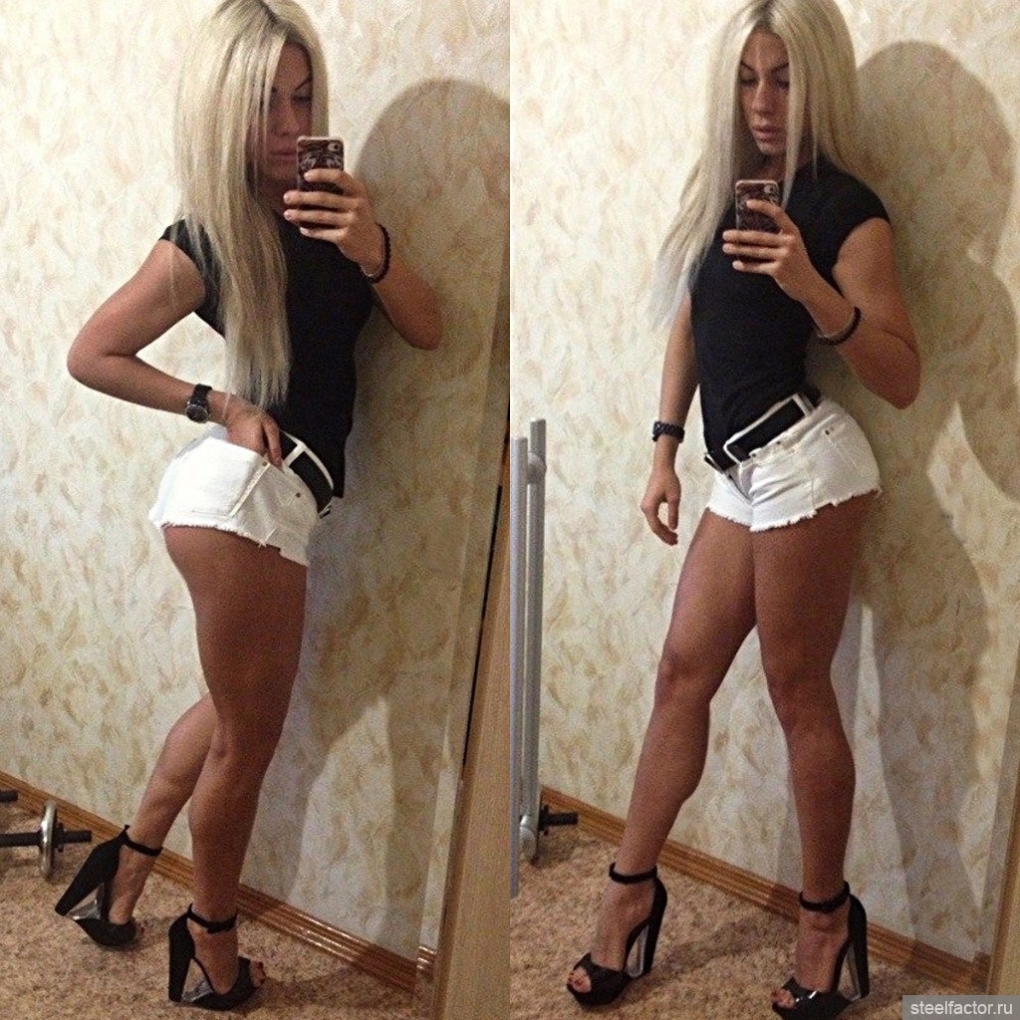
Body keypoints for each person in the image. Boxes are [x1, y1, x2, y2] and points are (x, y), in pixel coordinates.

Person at [54, 0, 441, 1011]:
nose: (288, 123)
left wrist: (372, 244)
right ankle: (211, 945)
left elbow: (429, 328)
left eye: (303, 97)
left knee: (227, 716)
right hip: (244, 497)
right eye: (266, 101)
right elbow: (91, 352)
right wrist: (216, 402)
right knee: (246, 744)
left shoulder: (342, 211)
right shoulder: (210, 234)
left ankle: (125, 873)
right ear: (225, 108)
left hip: (249, 503)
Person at [566, 0, 919, 1016]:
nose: (764, 101)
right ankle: (630, 893)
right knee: (681, 673)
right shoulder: (728, 190)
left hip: (807, 463)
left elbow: (900, 375)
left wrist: (811, 283)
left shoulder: (849, 210)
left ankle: (826, 923)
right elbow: (691, 322)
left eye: (784, 78)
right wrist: (663, 449)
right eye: (747, 78)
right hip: (735, 471)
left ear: (820, 82)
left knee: (798, 691)